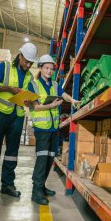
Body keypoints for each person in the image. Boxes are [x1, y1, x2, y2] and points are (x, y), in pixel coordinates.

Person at [0, 43, 38, 200]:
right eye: (26, 61)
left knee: (12, 153)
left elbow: (29, 99)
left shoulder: (29, 77)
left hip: (18, 116)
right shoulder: (4, 67)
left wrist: (28, 101)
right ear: (20, 55)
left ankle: (7, 185)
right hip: (0, 113)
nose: (28, 65)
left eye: (31, 63)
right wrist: (9, 89)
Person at [25, 54, 79, 205]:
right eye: (46, 68)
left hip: (53, 129)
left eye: (51, 69)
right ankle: (36, 192)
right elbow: (34, 106)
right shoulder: (33, 85)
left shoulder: (55, 84)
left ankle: (41, 186)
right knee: (42, 160)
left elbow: (64, 94)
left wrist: (72, 100)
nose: (49, 71)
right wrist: (51, 106)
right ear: (41, 68)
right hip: (42, 129)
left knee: (49, 159)